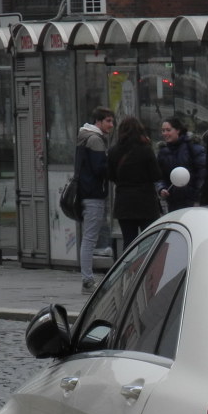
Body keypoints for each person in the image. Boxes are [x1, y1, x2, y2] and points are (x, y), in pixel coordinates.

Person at [107, 116, 162, 250]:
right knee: (148, 241)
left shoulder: (113, 151)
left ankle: (129, 270)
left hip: (124, 202)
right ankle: (147, 270)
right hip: (146, 202)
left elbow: (110, 175)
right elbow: (156, 175)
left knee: (129, 241)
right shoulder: (146, 150)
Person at [75, 106, 115, 293]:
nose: (111, 125)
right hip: (93, 194)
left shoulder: (85, 136)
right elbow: (100, 169)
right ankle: (87, 280)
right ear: (98, 121)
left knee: (90, 237)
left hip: (87, 192)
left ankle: (87, 278)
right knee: (90, 238)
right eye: (108, 121)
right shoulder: (95, 140)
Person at [156, 116, 207, 211]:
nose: (165, 133)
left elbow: (202, 173)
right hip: (173, 202)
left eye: (168, 130)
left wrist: (195, 194)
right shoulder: (163, 152)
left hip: (193, 202)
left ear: (178, 130)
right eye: (163, 130)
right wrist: (161, 189)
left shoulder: (193, 147)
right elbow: (159, 176)